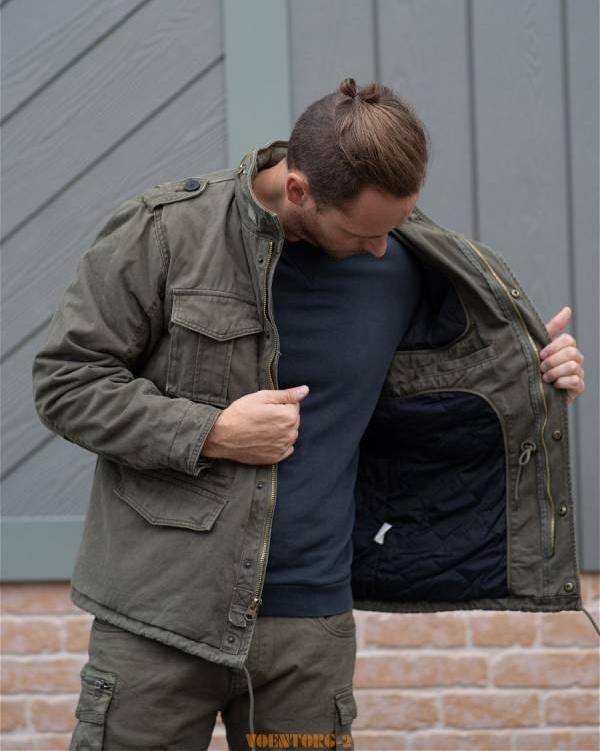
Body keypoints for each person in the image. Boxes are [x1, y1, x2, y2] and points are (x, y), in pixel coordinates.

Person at [33, 77, 586, 751]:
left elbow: (439, 390)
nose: (382, 247)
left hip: (308, 636)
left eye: (397, 225)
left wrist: (536, 374)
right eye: (363, 232)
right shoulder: (168, 233)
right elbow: (67, 382)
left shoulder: (407, 261)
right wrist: (211, 433)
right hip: (158, 621)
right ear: (298, 190)